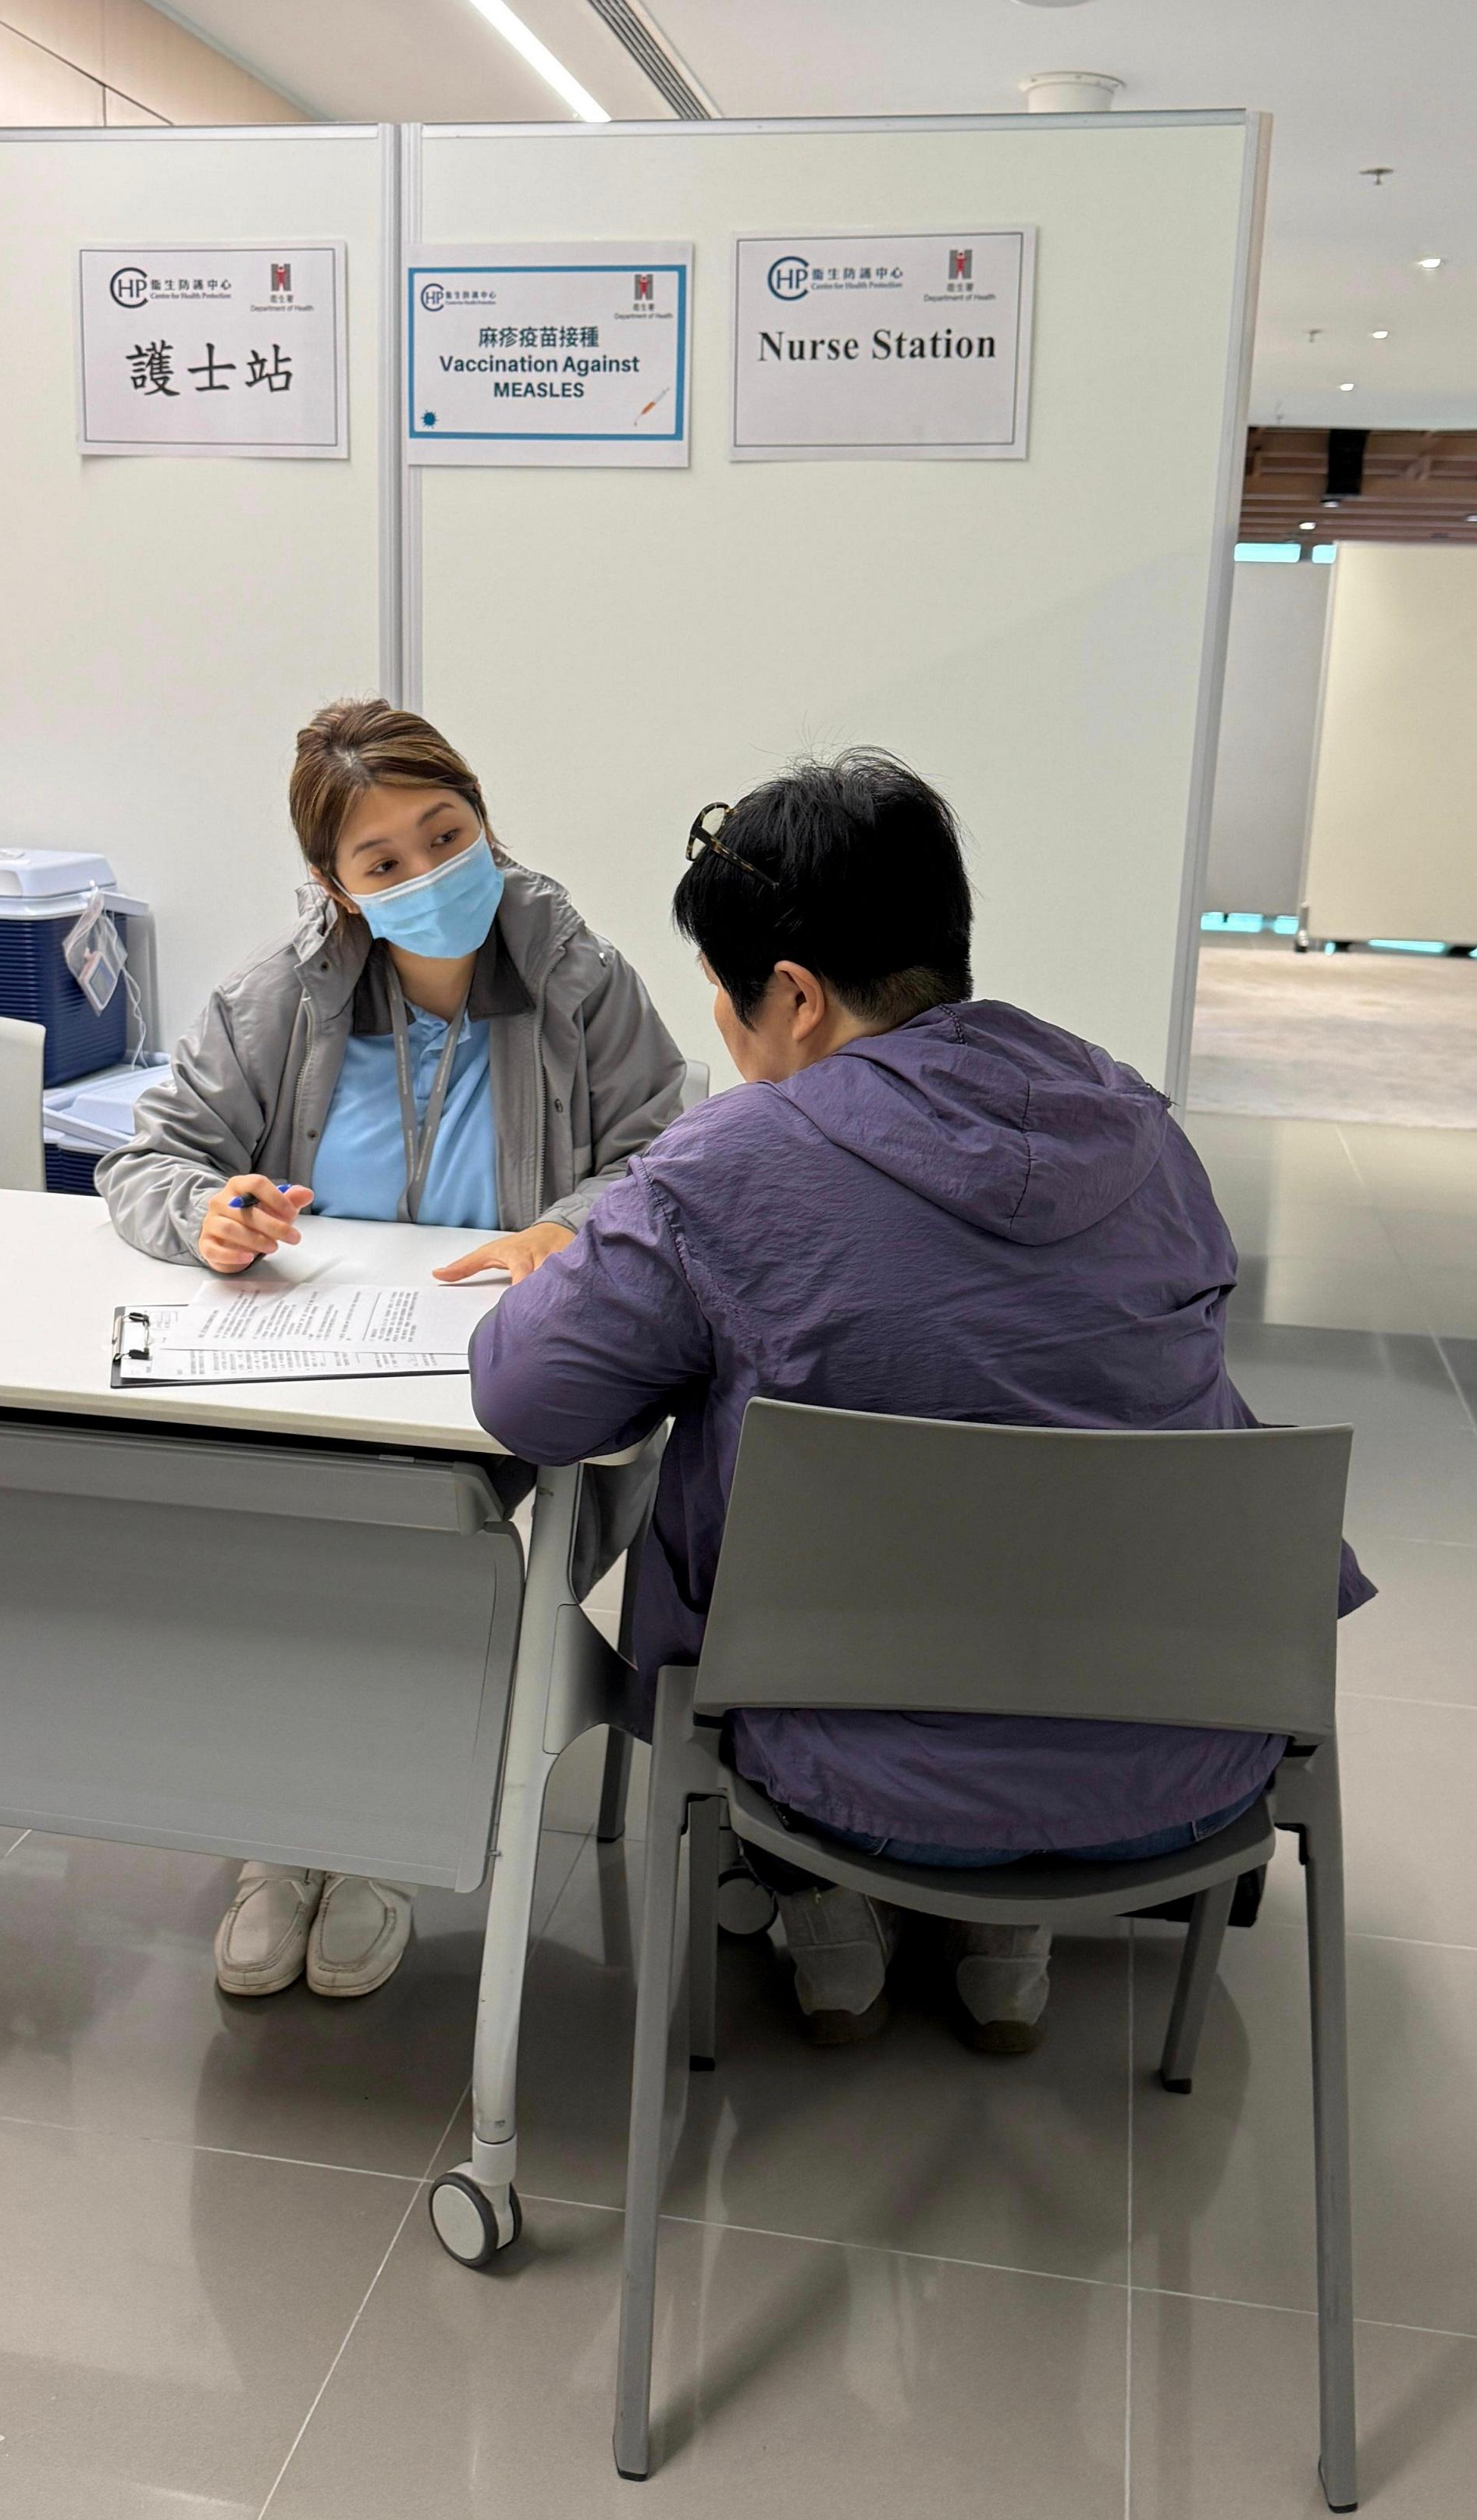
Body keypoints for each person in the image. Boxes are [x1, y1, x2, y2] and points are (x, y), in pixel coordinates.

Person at [470, 751, 1372, 2054]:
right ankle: (1007, 1944)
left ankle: (823, 1913)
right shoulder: (1135, 1125)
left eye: (725, 1004)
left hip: (839, 1773)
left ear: (788, 996)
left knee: (726, 1473)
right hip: (1173, 1764)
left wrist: (623, 1233)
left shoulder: (730, 1166)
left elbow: (526, 1399)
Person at [98, 697, 685, 2001]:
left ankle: (370, 1842)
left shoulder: (576, 977)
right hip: (315, 1360)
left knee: (430, 1560)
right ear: (335, 888)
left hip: (498, 1374)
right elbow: (148, 1153)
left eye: (446, 833)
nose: (426, 875)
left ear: (482, 821)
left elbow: (663, 1155)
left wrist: (560, 1231)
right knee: (275, 1547)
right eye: (383, 863)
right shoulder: (283, 996)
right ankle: (278, 1839)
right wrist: (207, 1215)